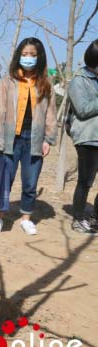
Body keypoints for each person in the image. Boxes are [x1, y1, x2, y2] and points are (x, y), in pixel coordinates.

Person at [0, 37, 57, 235]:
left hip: (34, 138)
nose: (28, 58)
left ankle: (26, 218)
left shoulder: (45, 83)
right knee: (4, 179)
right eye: (25, 54)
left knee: (30, 181)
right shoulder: (7, 82)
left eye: (32, 55)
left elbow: (51, 113)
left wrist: (48, 139)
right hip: (11, 137)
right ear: (19, 56)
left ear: (39, 57)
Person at [67, 39, 98, 234]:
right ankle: (78, 218)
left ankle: (95, 218)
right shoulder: (79, 80)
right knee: (85, 181)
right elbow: (83, 109)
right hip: (88, 138)